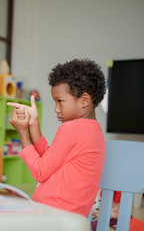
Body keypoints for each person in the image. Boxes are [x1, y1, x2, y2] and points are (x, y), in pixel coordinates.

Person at [7, 59, 106, 217]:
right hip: (69, 218)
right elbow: (50, 159)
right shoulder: (94, 131)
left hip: (53, 216)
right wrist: (33, 123)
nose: (55, 109)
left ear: (84, 101)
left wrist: (22, 133)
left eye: (60, 101)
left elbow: (40, 172)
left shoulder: (71, 129)